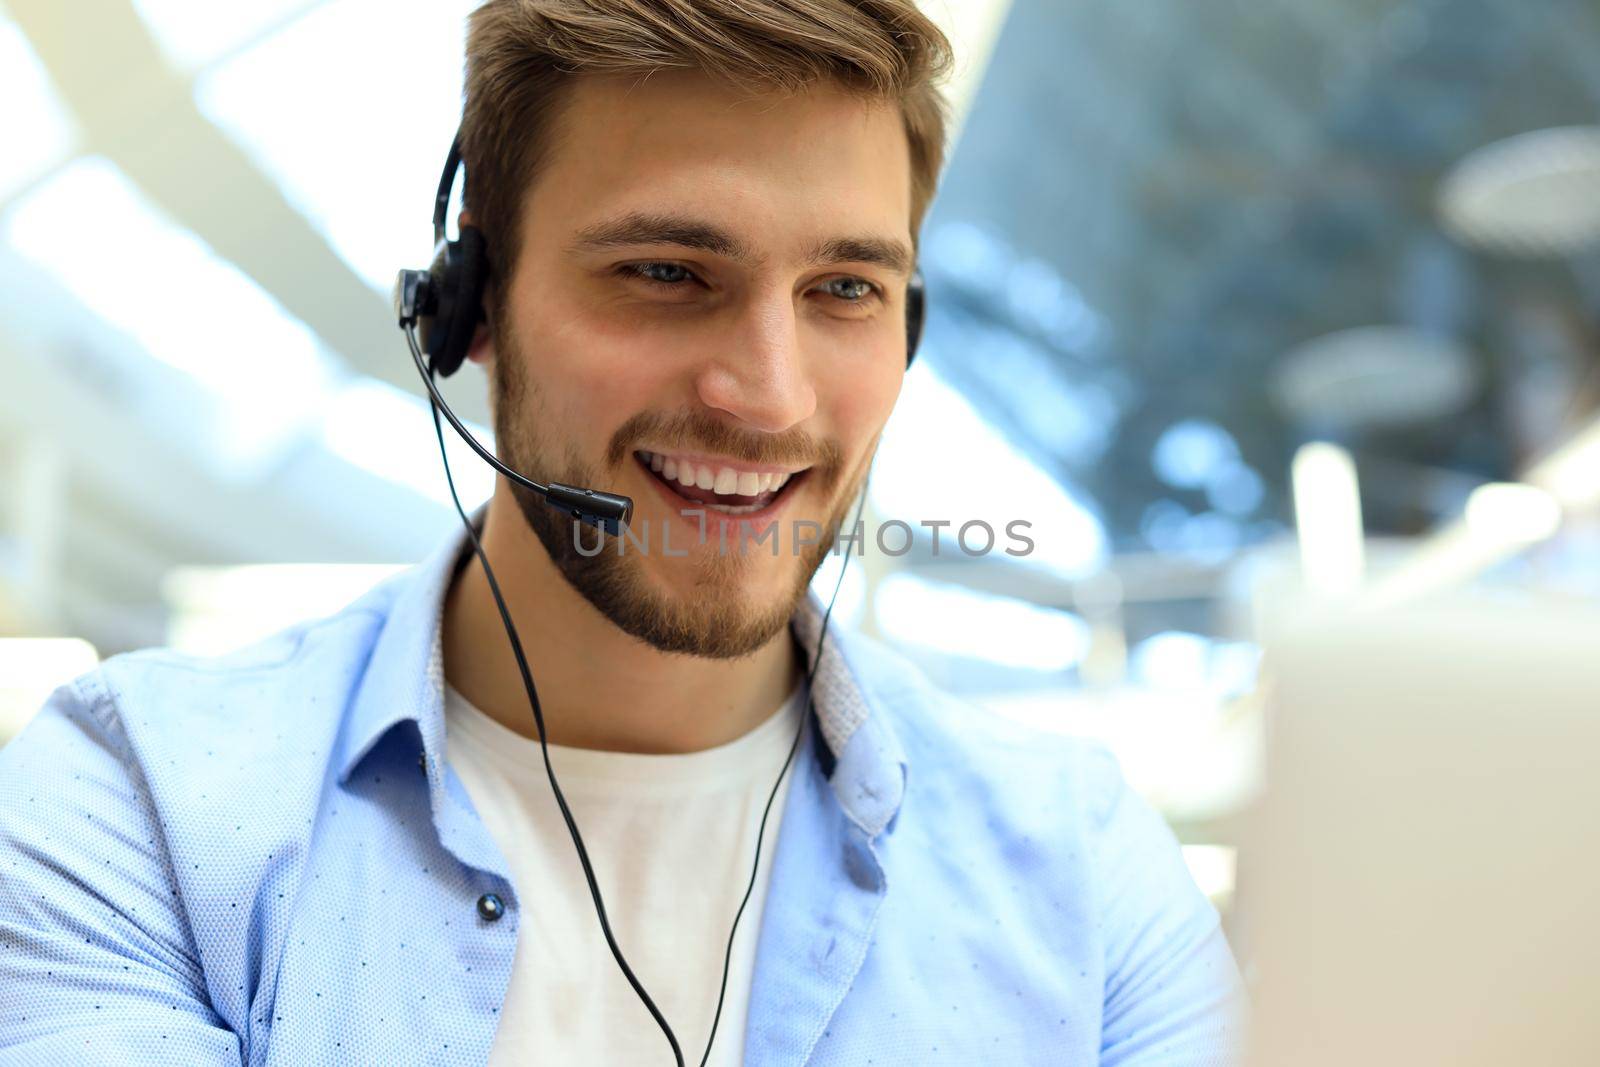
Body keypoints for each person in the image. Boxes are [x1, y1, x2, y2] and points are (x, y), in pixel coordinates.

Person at [0, 2, 1244, 1064]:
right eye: (664, 273)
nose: (767, 397)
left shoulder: (1085, 874)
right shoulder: (138, 807)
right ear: (470, 308)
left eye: (843, 290)